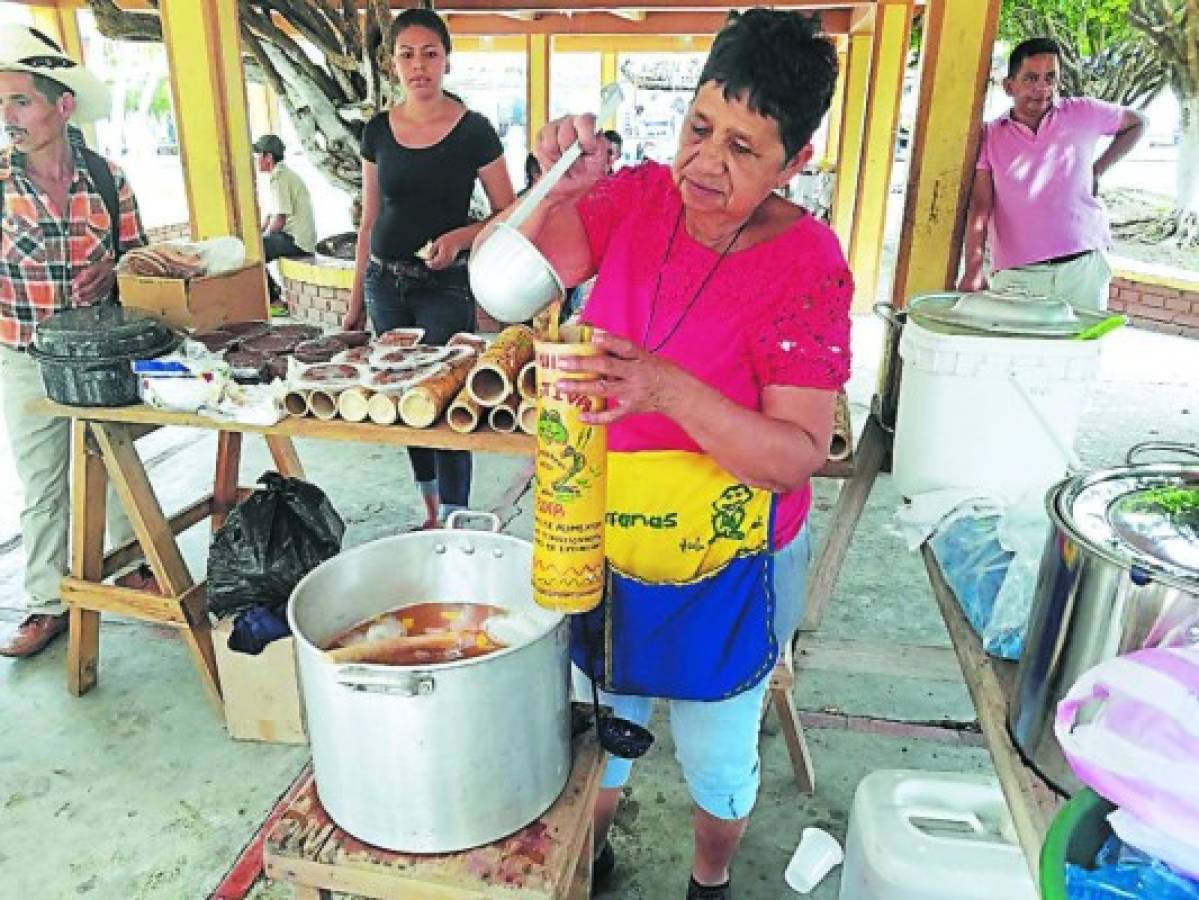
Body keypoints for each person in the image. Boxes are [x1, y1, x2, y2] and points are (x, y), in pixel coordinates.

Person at [479, 10, 849, 897]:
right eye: (698, 128)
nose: (705, 165)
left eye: (744, 149)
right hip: (604, 529)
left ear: (793, 163)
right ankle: (590, 857)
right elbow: (510, 289)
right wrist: (557, 185)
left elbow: (791, 455)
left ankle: (708, 879)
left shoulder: (807, 266)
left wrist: (664, 390)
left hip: (728, 550)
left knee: (716, 750)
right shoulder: (643, 196)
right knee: (602, 723)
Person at [0, 26, 147, 658]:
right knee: (45, 483)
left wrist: (116, 270)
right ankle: (45, 604)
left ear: (62, 107)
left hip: (99, 356)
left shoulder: (107, 180)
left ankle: (140, 566)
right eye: (1, 104)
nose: (8, 117)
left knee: (118, 464)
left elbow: (144, 260)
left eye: (20, 101)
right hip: (25, 357)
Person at [344, 9, 515, 529]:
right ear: (391, 63)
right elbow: (370, 219)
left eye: (430, 53)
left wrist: (462, 239)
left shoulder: (474, 131)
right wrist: (354, 304)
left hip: (444, 288)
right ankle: (431, 513)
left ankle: (457, 516)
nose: (418, 66)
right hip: (385, 285)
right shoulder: (377, 131)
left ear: (446, 60)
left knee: (445, 399)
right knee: (402, 398)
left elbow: (511, 211)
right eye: (406, 54)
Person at [957, 37, 1147, 309]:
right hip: (1018, 276)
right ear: (1009, 86)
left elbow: (1138, 123)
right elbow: (980, 206)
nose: (1042, 88)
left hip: (1082, 267)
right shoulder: (990, 136)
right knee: (1015, 352)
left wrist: (1098, 169)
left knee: (1080, 351)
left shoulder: (1084, 111)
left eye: (1050, 78)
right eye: (1031, 78)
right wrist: (973, 269)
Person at [253, 133, 316, 315]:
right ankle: (274, 295)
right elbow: (272, 214)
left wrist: (263, 239)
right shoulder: (282, 174)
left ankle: (275, 301)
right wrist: (257, 231)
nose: (257, 161)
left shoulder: (280, 178)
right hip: (294, 237)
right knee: (258, 244)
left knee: (255, 252)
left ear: (268, 158)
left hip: (297, 241)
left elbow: (279, 219)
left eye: (259, 156)